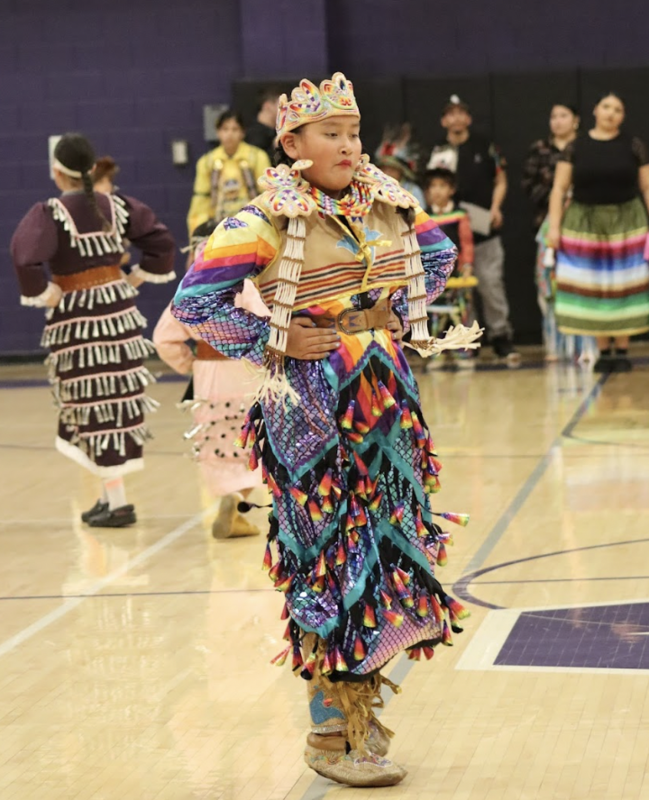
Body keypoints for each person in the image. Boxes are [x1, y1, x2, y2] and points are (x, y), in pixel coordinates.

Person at [172, 72, 478, 787]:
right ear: (292, 143)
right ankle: (327, 733)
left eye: (353, 131)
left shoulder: (388, 202)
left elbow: (434, 258)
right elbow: (197, 299)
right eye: (331, 134)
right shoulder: (265, 218)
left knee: (384, 558)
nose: (348, 144)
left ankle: (361, 722)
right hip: (311, 408)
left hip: (385, 402)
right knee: (327, 565)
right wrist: (270, 340)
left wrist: (398, 311)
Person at [11, 133, 176, 527]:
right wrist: (135, 276)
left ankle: (117, 502)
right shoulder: (117, 204)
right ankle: (111, 497)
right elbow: (161, 241)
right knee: (112, 400)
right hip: (118, 313)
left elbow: (24, 255)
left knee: (91, 402)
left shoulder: (50, 212)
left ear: (57, 172)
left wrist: (46, 292)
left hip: (78, 320)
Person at [153, 221, 271, 539]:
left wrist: (188, 364)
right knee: (248, 439)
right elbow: (266, 324)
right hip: (245, 368)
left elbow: (163, 338)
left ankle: (229, 502)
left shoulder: (191, 289)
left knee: (217, 440)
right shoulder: (244, 286)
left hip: (207, 371)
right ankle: (237, 502)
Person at [548, 93, 649, 372]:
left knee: (625, 284)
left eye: (618, 109)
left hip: (628, 223)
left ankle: (623, 350)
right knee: (593, 286)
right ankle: (604, 352)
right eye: (606, 107)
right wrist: (555, 227)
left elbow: (647, 187)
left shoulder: (634, 145)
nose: (611, 113)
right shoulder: (575, 146)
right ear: (595, 110)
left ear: (623, 116)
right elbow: (558, 189)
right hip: (584, 223)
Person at [427, 95, 520, 366]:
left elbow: (501, 179)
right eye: (450, 113)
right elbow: (432, 186)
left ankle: (501, 337)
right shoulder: (438, 151)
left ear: (468, 118)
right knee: (458, 291)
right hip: (450, 231)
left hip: (481, 226)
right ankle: (467, 341)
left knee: (490, 283)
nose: (456, 118)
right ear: (444, 120)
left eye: (461, 113)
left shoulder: (484, 146)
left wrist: (495, 207)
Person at [522, 105, 596, 362]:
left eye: (564, 115)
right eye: (553, 116)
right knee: (549, 285)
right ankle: (557, 345)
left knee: (586, 284)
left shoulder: (588, 147)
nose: (558, 121)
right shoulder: (541, 149)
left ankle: (589, 346)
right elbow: (529, 186)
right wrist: (558, 196)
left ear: (576, 120)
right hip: (549, 226)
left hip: (587, 225)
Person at [423, 168, 477, 369]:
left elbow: (467, 243)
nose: (437, 191)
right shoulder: (423, 217)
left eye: (442, 186)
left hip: (456, 275)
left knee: (459, 313)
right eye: (433, 186)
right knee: (435, 314)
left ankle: (462, 350)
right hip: (433, 275)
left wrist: (467, 266)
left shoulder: (459, 216)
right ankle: (436, 352)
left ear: (451, 190)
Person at [186, 110, 271, 238]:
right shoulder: (207, 162)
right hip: (218, 228)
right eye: (225, 129)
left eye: (235, 129)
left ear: (242, 133)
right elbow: (200, 202)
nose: (229, 134)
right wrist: (196, 238)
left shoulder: (257, 157)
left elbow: (267, 196)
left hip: (253, 226)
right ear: (218, 132)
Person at [245, 87, 281, 159]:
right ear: (267, 106)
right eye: (280, 106)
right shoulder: (254, 135)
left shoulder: (277, 132)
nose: (284, 110)